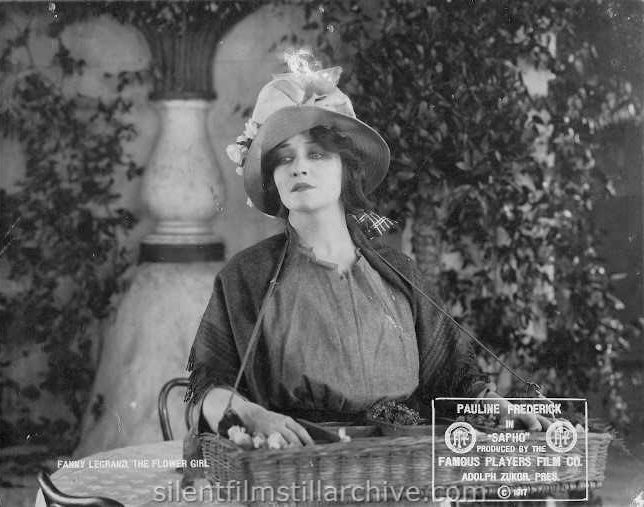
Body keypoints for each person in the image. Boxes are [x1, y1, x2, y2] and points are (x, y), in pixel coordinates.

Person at [184, 65, 553, 452]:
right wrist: (251, 414)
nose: (299, 167)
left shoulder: (399, 272)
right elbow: (208, 386)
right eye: (284, 158)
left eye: (317, 153)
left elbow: (454, 378)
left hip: (402, 465)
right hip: (299, 467)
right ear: (272, 176)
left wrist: (495, 405)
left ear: (348, 169)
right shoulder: (247, 276)